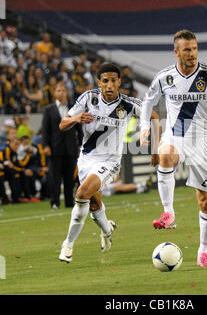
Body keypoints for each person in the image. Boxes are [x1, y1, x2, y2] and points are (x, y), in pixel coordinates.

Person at [140, 29, 207, 267]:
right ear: (176, 52)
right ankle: (169, 213)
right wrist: (145, 127)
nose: (192, 53)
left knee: (205, 202)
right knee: (165, 155)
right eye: (187, 49)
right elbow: (148, 101)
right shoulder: (164, 77)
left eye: (195, 48)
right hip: (175, 134)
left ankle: (203, 252)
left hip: (202, 140)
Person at [58, 62, 160, 263]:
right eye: (105, 81)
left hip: (110, 162)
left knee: (81, 194)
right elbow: (63, 124)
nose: (109, 85)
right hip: (86, 159)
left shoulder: (129, 104)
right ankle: (107, 230)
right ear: (99, 82)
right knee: (94, 204)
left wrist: (155, 149)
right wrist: (77, 118)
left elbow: (155, 117)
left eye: (114, 80)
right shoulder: (88, 98)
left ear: (119, 81)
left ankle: (68, 245)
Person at [42, 82, 83, 209]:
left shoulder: (73, 108)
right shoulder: (49, 109)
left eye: (63, 90)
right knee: (55, 177)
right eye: (59, 90)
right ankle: (55, 202)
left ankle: (69, 202)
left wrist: (81, 144)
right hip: (55, 149)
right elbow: (45, 130)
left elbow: (79, 129)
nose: (61, 92)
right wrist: (46, 146)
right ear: (55, 93)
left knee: (70, 178)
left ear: (66, 92)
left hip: (71, 148)